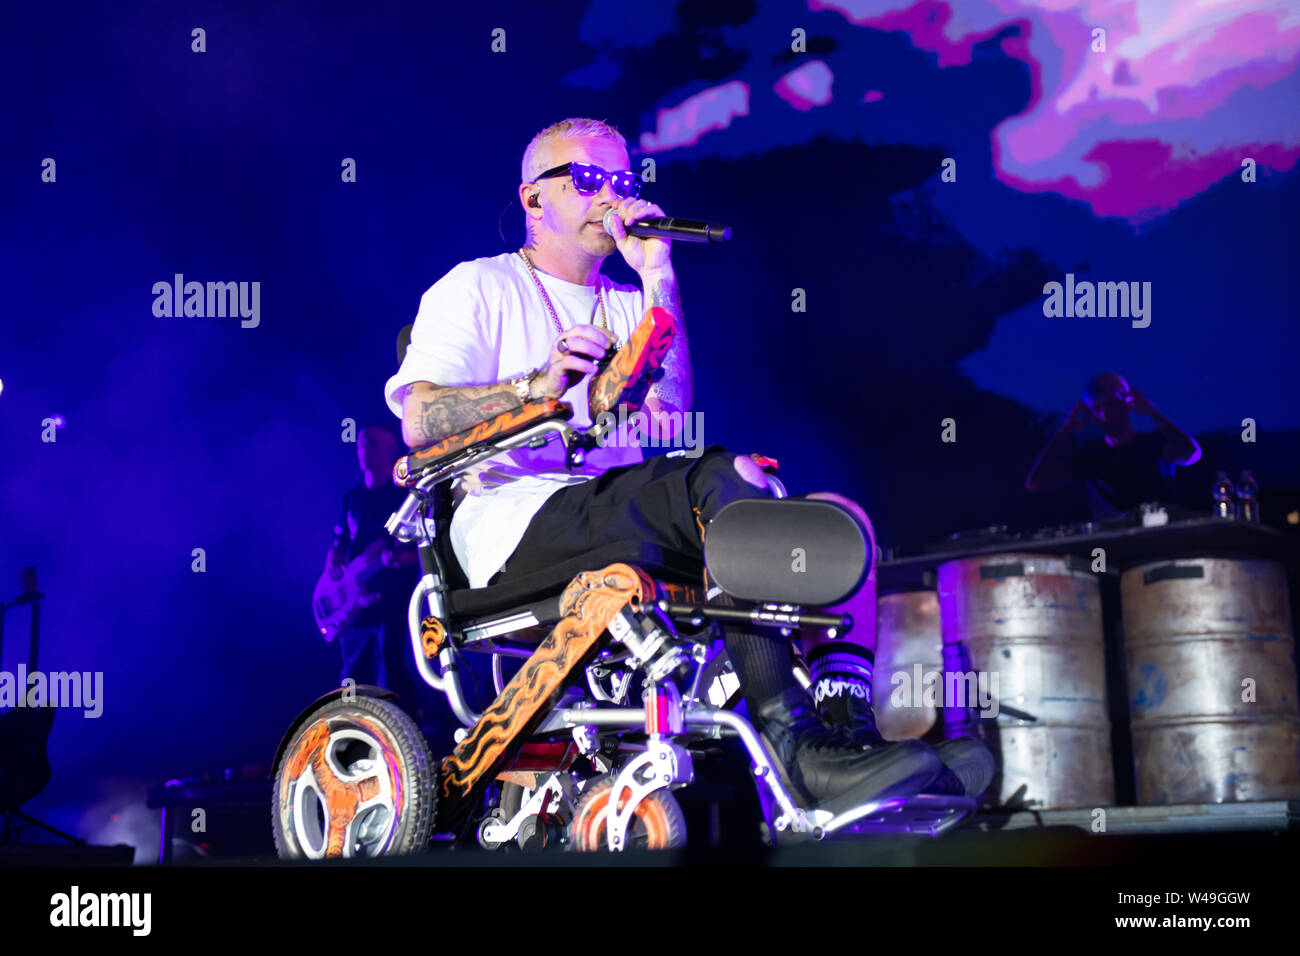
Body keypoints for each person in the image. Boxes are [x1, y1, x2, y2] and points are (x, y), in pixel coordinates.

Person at [384, 117, 991, 816]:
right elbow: (418, 419)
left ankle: (848, 734)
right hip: (515, 525)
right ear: (533, 199)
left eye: (621, 181)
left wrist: (658, 274)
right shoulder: (476, 287)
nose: (610, 197)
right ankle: (796, 749)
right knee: (717, 475)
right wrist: (534, 386)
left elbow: (668, 419)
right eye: (586, 180)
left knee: (825, 520)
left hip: (614, 515)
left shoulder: (627, 298)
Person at [327, 425, 440, 734]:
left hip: (391, 594)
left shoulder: (402, 494)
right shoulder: (353, 498)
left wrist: (401, 559)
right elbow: (340, 538)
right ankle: (355, 731)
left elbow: (420, 539)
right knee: (352, 670)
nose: (365, 449)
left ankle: (405, 732)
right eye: (362, 443)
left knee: (389, 663)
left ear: (391, 448)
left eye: (373, 443)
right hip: (354, 600)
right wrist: (333, 558)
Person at [1025, 373, 1201, 520]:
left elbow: (1192, 453)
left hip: (1158, 542)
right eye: (1097, 408)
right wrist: (1066, 430)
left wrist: (1152, 412)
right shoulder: (1091, 455)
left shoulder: (1154, 443)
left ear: (1126, 403)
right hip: (1113, 548)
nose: (1104, 414)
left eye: (1110, 405)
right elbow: (1036, 482)